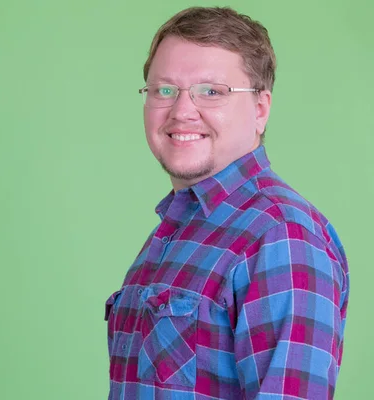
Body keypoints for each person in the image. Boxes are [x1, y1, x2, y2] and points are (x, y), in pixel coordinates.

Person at [104, 6, 349, 400]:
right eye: (164, 90)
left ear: (260, 109)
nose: (182, 111)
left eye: (212, 92)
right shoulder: (174, 231)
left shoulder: (280, 237)